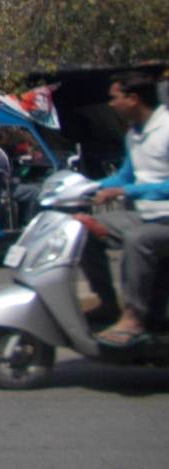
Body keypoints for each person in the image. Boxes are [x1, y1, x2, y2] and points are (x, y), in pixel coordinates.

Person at [78, 72, 169, 345]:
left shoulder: (165, 129)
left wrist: (125, 191)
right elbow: (126, 176)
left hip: (163, 220)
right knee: (82, 228)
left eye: (114, 98)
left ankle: (134, 317)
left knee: (137, 239)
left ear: (133, 99)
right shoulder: (133, 135)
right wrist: (87, 187)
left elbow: (128, 187)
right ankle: (107, 302)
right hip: (145, 215)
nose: (111, 104)